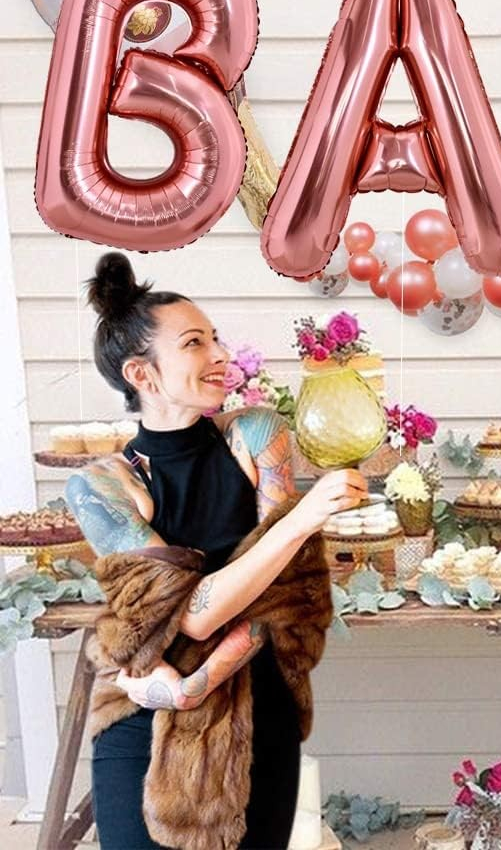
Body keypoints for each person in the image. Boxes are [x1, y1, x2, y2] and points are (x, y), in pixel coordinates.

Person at [65, 252, 366, 849]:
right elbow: (193, 612)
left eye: (216, 338)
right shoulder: (101, 486)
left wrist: (197, 682)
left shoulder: (255, 434)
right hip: (144, 724)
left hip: (255, 711)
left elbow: (288, 595)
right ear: (142, 374)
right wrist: (300, 520)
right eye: (195, 343)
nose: (220, 355)